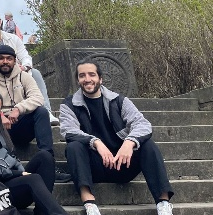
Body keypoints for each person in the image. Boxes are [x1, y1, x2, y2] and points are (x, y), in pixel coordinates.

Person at [60, 59, 175, 215]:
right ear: (78, 80)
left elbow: (142, 124)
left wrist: (129, 142)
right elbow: (68, 131)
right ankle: (89, 203)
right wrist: (96, 142)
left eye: (92, 74)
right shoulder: (69, 104)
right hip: (94, 167)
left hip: (122, 163)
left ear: (100, 78)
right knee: (73, 146)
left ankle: (163, 203)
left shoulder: (118, 101)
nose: (87, 79)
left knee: (148, 145)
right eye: (82, 75)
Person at [0, 90, 66, 215]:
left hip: (12, 183)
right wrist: (17, 173)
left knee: (45, 157)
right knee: (33, 178)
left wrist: (20, 171)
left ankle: (42, 211)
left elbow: (11, 157)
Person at [0, 45, 70, 184]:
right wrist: (0, 115)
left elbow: (38, 98)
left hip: (20, 124)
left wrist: (19, 109)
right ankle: (8, 168)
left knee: (41, 112)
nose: (5, 61)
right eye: (1, 58)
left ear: (15, 60)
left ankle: (49, 164)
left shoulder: (23, 76)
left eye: (9, 58)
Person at [0, 10, 57, 124]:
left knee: (35, 73)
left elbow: (25, 56)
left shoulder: (13, 38)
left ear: (0, 22)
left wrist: (23, 67)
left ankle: (47, 111)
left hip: (17, 73)